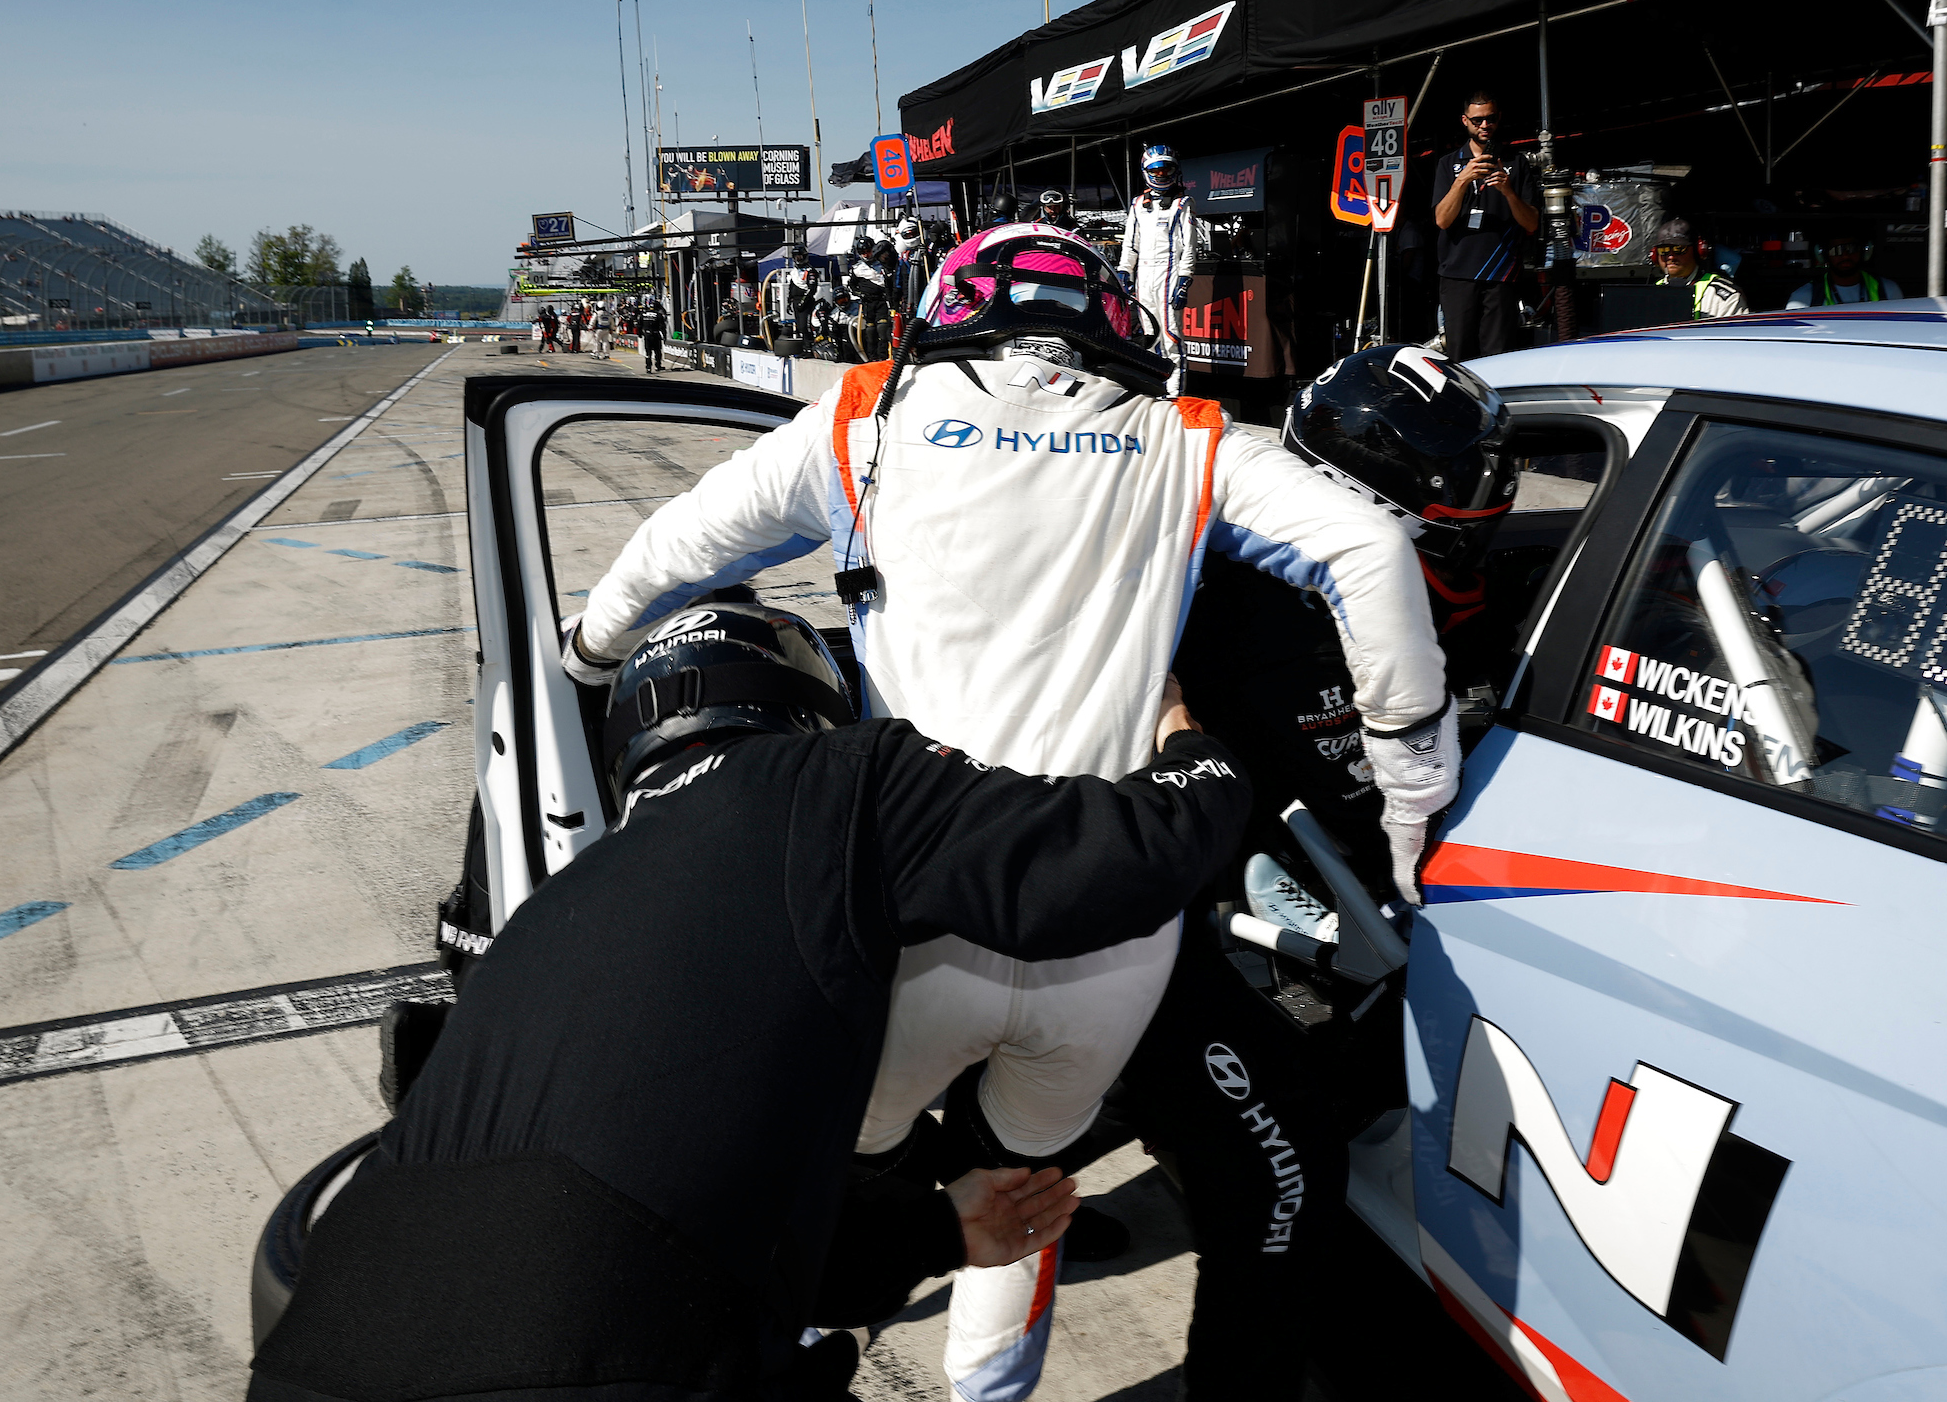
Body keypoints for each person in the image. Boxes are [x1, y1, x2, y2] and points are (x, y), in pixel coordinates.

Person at [563, 225, 1451, 1402]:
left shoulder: (862, 418)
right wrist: (1413, 796)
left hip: (905, 921)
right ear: (1120, 326)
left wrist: (586, 658)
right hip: (1112, 930)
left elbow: (668, 554)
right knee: (1019, 1196)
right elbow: (1374, 544)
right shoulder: (1185, 438)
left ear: (945, 310)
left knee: (822, 1194)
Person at [248, 600, 1250, 1402]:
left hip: (319, 1351)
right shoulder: (830, 778)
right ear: (804, 704)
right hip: (617, 1358)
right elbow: (1116, 860)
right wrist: (1195, 756)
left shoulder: (558, 910)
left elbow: (672, 1207)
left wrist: (942, 1232)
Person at [1126, 344, 1519, 1401]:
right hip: (1242, 926)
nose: (1484, 523)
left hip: (1370, 912)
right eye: (1456, 513)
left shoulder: (1455, 597)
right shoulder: (1212, 608)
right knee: (1276, 1197)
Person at [1430, 90, 1542, 361]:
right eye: (1477, 120)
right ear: (1465, 121)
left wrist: (1508, 192)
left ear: (1498, 118)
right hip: (1458, 273)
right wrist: (1462, 180)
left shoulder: (1516, 162)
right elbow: (1442, 220)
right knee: (1459, 354)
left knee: (1498, 355)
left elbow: (1532, 223)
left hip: (1501, 273)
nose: (1484, 125)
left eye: (1490, 119)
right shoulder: (1449, 163)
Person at [1119, 146, 1202, 392]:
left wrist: (1185, 279)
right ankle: (1157, 389)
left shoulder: (1183, 203)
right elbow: (1129, 244)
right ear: (1146, 171)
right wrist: (1125, 270)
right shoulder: (1137, 204)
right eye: (1156, 170)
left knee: (1171, 337)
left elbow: (1189, 246)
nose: (1161, 174)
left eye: (1166, 169)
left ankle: (1176, 395)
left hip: (1169, 273)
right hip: (1144, 275)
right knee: (1150, 336)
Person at [1650, 217, 1747, 320]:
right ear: (1655, 255)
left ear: (1698, 252)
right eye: (1663, 250)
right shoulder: (1649, 295)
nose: (1671, 257)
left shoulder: (1724, 298)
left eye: (1679, 249)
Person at [1786, 230, 1903, 307]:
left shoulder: (1888, 290)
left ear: (1865, 252)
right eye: (1837, 250)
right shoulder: (1804, 297)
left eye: (1851, 249)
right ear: (1823, 255)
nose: (1845, 255)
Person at [641, 298, 666, 373]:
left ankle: (648, 367)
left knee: (648, 352)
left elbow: (639, 325)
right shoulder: (658, 315)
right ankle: (658, 366)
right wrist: (664, 336)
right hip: (656, 335)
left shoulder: (643, 314)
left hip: (647, 335)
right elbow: (662, 327)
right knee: (657, 351)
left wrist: (640, 334)